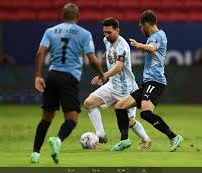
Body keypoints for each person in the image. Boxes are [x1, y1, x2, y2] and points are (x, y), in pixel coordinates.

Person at [30, 3, 105, 164]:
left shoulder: (50, 31)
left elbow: (40, 53)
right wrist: (100, 73)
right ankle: (57, 140)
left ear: (62, 16)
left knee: (46, 118)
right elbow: (91, 58)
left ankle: (35, 154)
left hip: (52, 76)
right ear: (77, 17)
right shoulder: (84, 33)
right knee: (72, 119)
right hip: (69, 78)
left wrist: (37, 76)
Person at [115, 10, 184, 152]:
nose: (141, 29)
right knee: (120, 106)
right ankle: (124, 140)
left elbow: (152, 48)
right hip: (147, 83)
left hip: (156, 82)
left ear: (146, 24)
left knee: (145, 113)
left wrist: (139, 45)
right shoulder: (152, 37)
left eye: (141, 26)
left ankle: (173, 137)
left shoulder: (158, 36)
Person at [83, 17, 151, 151]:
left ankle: (146, 139)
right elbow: (109, 51)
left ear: (117, 30)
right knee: (88, 104)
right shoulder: (106, 40)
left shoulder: (123, 46)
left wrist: (103, 75)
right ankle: (100, 134)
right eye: (105, 32)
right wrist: (106, 55)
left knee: (130, 121)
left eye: (109, 32)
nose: (106, 35)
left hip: (126, 88)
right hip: (112, 85)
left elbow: (119, 67)